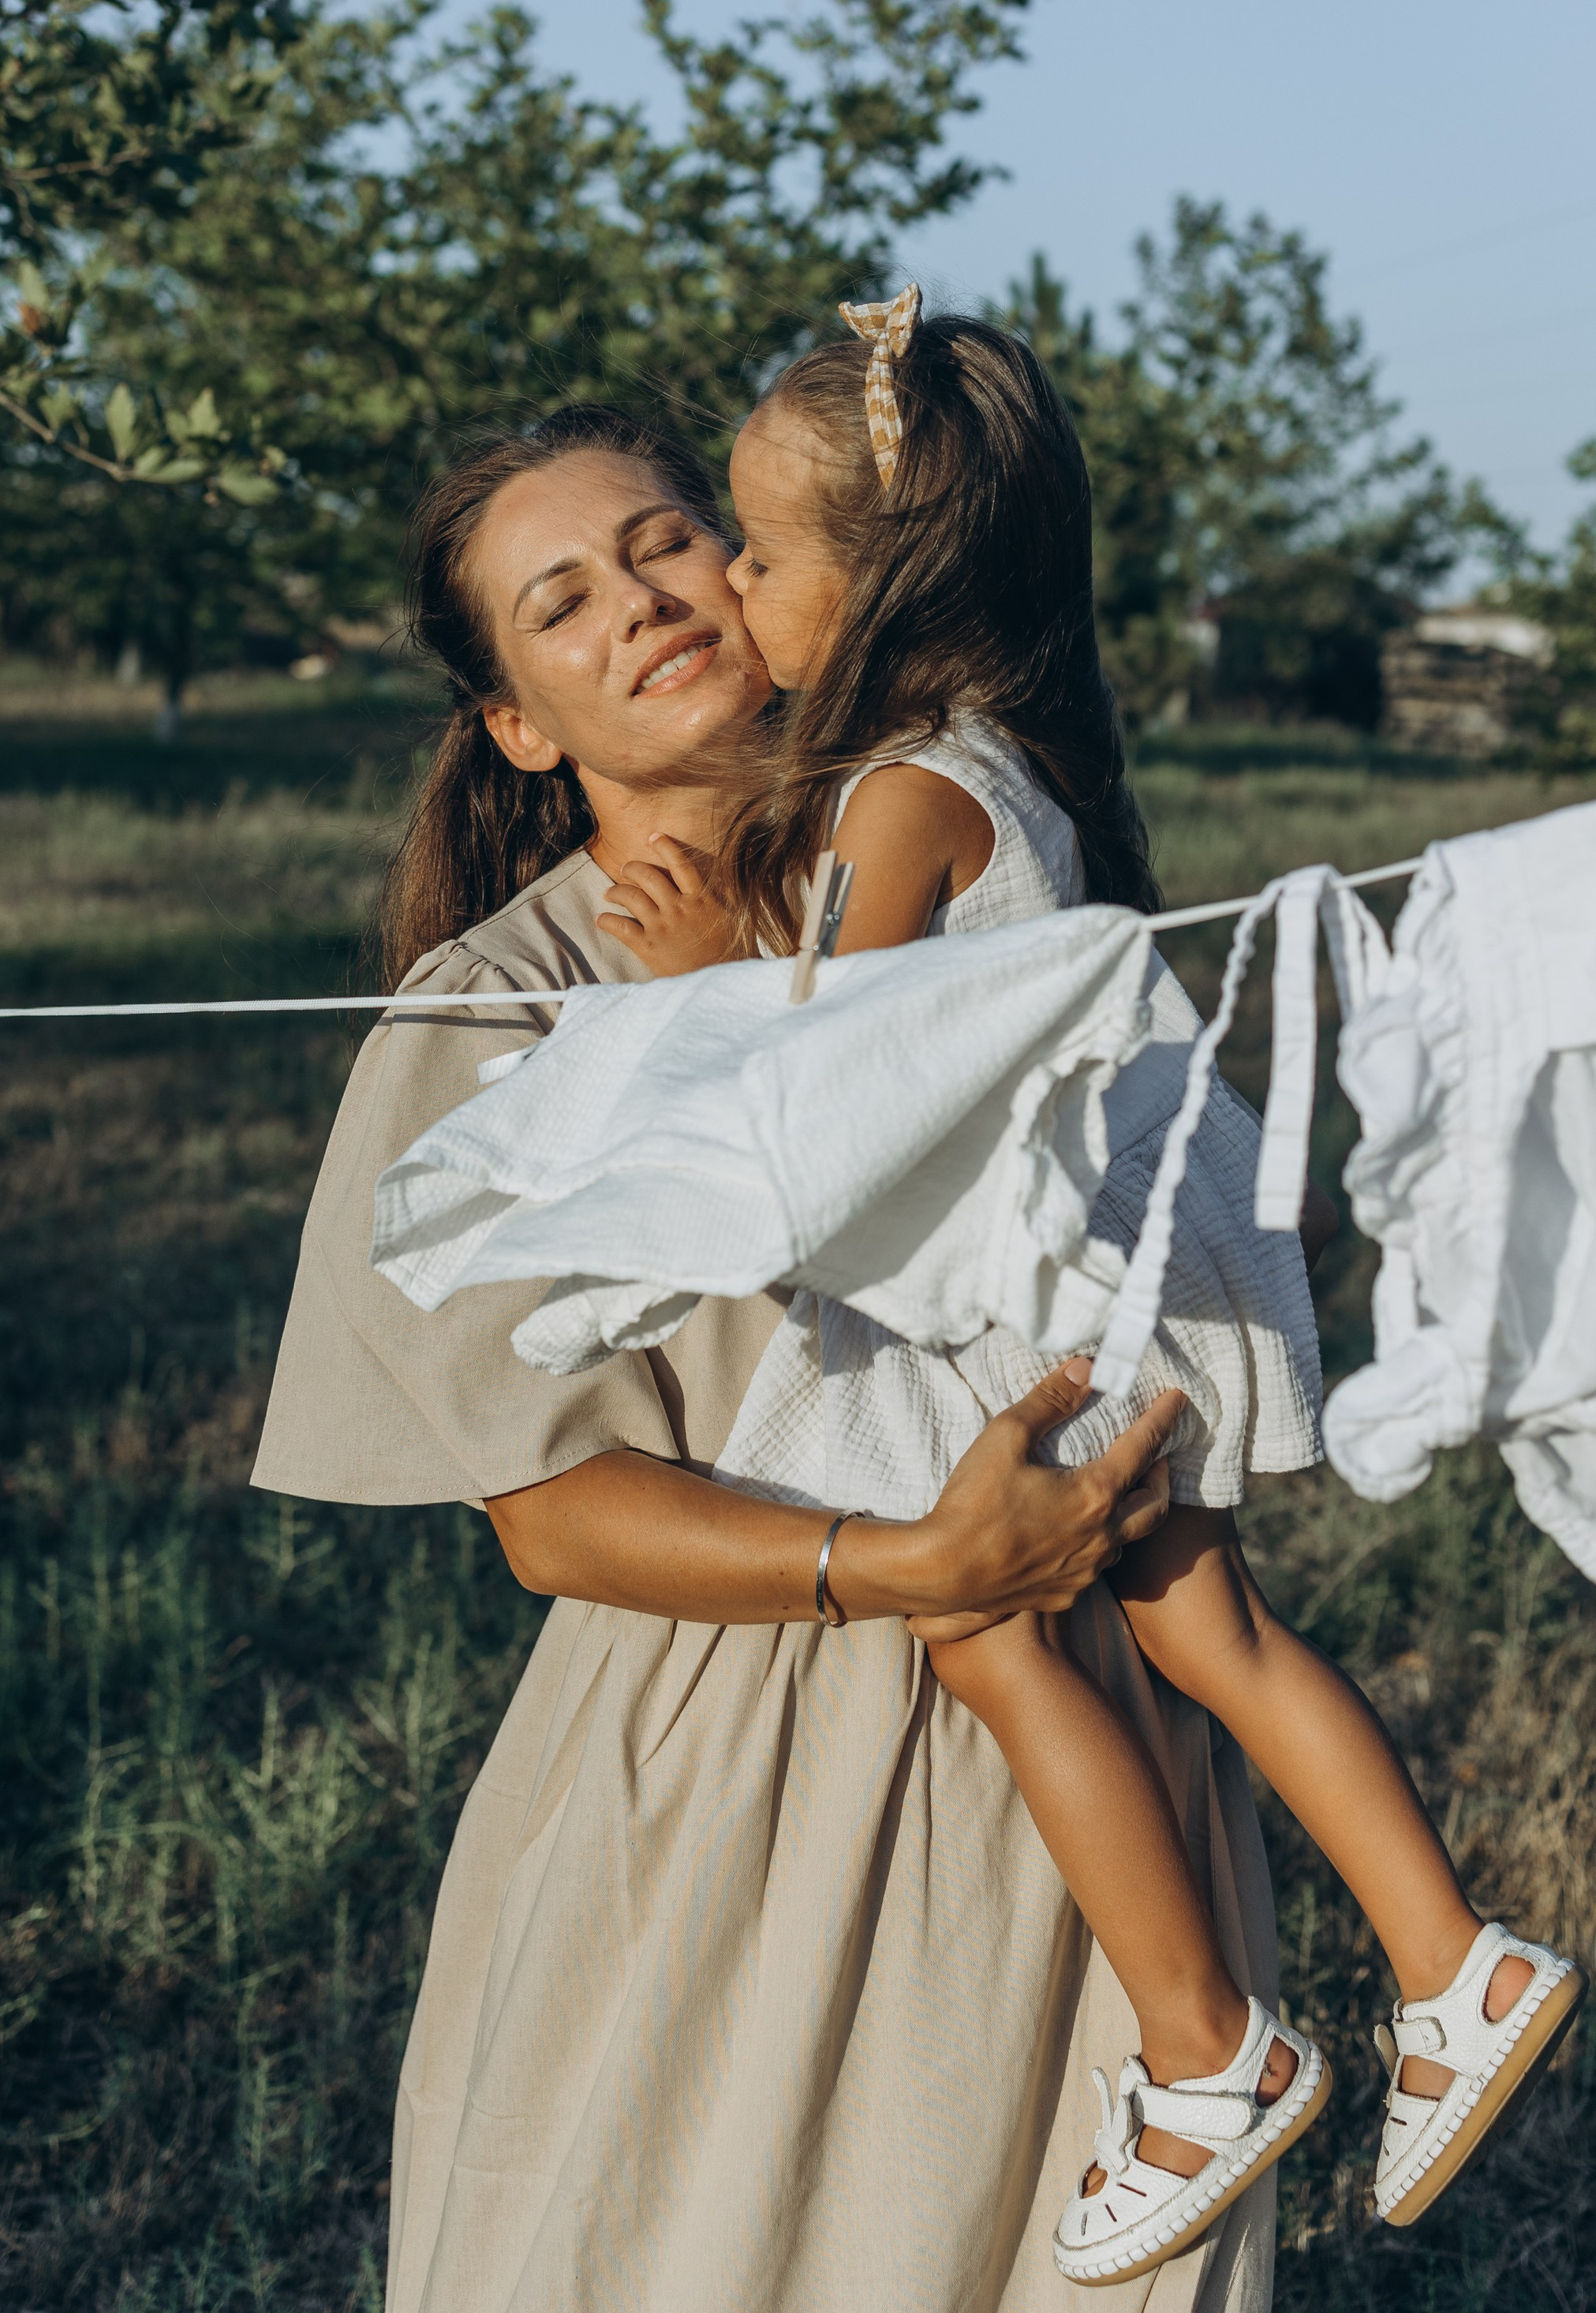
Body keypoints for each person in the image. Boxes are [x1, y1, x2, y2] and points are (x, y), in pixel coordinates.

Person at [252, 405, 1281, 2313]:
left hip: (1083, 1731)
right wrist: (917, 1564)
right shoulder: (497, 1015)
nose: (641, 601)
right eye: (562, 602)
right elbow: (553, 1513)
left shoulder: (968, 871)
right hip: (740, 1748)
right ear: (518, 727)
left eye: (662, 543)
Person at [596, 294, 1583, 2288]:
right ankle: (1450, 1959)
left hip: (1054, 1293)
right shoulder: (1003, 762)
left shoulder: (902, 797)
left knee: (978, 1630)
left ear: (885, 580)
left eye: (759, 553)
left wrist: (706, 974)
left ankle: (1207, 2055)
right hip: (1141, 1255)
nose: (732, 586)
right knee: (1209, 1624)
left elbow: (832, 1085)